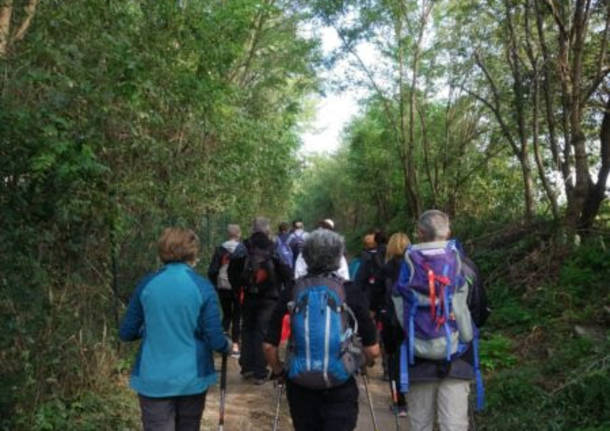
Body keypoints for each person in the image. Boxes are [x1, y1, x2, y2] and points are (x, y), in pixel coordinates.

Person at [263, 228, 380, 431]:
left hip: (300, 386)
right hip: (340, 384)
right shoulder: (349, 291)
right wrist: (359, 364)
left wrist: (279, 370)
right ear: (338, 257)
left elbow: (268, 347)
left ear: (306, 257)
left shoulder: (292, 289)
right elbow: (373, 350)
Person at [119, 227, 231, 431]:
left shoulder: (147, 284)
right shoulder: (202, 287)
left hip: (153, 378)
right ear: (193, 252)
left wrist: (148, 331)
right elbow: (214, 338)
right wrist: (227, 346)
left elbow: (126, 332)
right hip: (191, 378)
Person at [394, 210, 486, 431]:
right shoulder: (465, 266)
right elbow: (480, 311)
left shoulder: (407, 268)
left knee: (421, 425)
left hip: (418, 359)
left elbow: (396, 314)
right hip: (458, 359)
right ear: (449, 233)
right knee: (453, 425)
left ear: (420, 233)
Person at [240, 216, 293, 384]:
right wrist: (284, 291)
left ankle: (246, 367)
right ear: (267, 229)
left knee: (247, 329)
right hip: (269, 297)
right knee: (262, 331)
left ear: (252, 229)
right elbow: (286, 271)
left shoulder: (244, 245)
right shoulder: (275, 246)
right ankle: (259, 371)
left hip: (248, 294)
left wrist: (239, 288)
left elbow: (233, 269)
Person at [380, 232, 411, 417]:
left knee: (393, 359)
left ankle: (398, 402)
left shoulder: (387, 268)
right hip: (412, 320)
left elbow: (376, 295)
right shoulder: (415, 267)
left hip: (391, 319)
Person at [207, 224, 247, 358]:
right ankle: (235, 346)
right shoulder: (243, 249)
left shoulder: (220, 249)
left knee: (226, 314)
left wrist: (215, 283)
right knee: (237, 316)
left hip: (222, 286)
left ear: (228, 234)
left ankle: (221, 343)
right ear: (239, 234)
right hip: (237, 287)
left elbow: (212, 270)